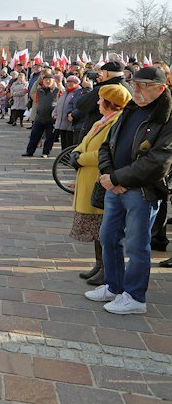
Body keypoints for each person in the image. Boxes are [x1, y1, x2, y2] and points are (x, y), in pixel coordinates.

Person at [86, 66, 172, 314]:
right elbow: (107, 145)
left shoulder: (165, 117)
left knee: (136, 245)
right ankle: (114, 286)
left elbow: (158, 162)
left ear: (160, 88)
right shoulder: (131, 109)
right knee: (108, 237)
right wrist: (108, 175)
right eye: (135, 85)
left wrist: (117, 178)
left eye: (143, 86)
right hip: (115, 187)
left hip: (141, 192)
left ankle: (135, 297)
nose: (136, 90)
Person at [69, 85, 131, 286]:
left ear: (110, 103)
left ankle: (107, 269)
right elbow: (86, 141)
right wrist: (76, 153)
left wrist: (81, 158)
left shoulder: (116, 122)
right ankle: (99, 265)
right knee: (98, 229)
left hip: (99, 179)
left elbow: (105, 153)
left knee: (104, 228)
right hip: (89, 178)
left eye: (100, 99)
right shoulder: (101, 121)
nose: (97, 103)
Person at [22, 73, 59, 158]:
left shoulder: (57, 90)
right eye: (46, 80)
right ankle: (30, 151)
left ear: (53, 81)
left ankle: (46, 152)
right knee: (34, 135)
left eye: (50, 80)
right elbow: (36, 102)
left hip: (51, 118)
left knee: (49, 137)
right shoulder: (39, 90)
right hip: (39, 117)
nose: (48, 81)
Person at [53, 75, 83, 149]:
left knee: (69, 145)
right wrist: (54, 113)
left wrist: (72, 115)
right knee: (63, 144)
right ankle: (64, 159)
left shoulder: (79, 93)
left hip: (71, 124)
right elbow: (58, 104)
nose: (69, 84)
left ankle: (67, 159)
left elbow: (78, 107)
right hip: (62, 123)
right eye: (68, 82)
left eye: (72, 82)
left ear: (77, 83)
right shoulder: (65, 92)